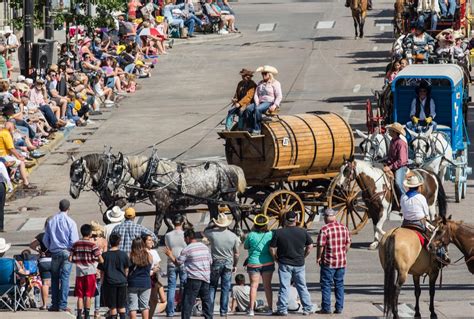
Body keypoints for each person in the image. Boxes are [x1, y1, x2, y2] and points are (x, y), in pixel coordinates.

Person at [270, 211, 314, 316]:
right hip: (299, 263)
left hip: (284, 263)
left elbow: (272, 248)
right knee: (302, 286)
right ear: (295, 219)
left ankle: (282, 309)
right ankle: (307, 308)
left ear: (285, 220)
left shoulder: (279, 232)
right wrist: (304, 256)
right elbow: (310, 246)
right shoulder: (303, 231)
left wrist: (275, 258)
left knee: (284, 286)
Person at [164, 229, 213, 319]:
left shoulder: (187, 249)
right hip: (206, 278)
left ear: (187, 238)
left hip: (193, 279)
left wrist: (170, 255)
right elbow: (210, 261)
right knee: (206, 302)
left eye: (184, 239)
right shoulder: (205, 247)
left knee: (188, 303)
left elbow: (178, 263)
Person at [43, 199, 79, 312]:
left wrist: (51, 247)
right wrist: (72, 251)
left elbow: (45, 239)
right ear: (69, 208)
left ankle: (54, 304)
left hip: (55, 252)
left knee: (54, 278)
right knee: (65, 278)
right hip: (67, 252)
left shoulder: (51, 221)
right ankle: (63, 304)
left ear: (59, 207)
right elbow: (74, 241)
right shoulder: (71, 222)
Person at [204, 213, 240, 317]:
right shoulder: (233, 236)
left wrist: (212, 224)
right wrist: (235, 265)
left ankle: (209, 310)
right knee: (225, 287)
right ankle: (223, 311)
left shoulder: (212, 233)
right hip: (228, 263)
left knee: (212, 287)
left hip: (216, 262)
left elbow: (204, 232)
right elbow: (236, 253)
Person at [316, 208, 351, 315]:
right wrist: (343, 252)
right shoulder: (344, 228)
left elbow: (321, 245)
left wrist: (318, 257)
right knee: (339, 284)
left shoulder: (325, 229)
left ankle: (326, 308)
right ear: (334, 217)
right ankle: (339, 308)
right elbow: (348, 243)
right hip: (341, 262)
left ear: (326, 217)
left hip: (328, 262)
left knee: (326, 285)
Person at [70, 224, 103, 319]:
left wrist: (77, 260)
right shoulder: (93, 245)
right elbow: (101, 259)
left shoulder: (75, 244)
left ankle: (79, 315)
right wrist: (94, 259)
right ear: (90, 233)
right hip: (90, 272)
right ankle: (87, 315)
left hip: (79, 272)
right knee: (88, 295)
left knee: (80, 295)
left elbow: (70, 258)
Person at [243, 214, 274, 316]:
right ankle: (270, 308)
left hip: (253, 263)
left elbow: (246, 246)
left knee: (253, 286)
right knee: (267, 286)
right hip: (268, 262)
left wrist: (252, 230)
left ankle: (251, 309)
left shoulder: (251, 235)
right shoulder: (270, 234)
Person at [98, 233, 130, 319]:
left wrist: (102, 281)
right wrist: (125, 278)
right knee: (122, 306)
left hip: (109, 282)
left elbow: (102, 271)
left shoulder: (105, 255)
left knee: (113, 307)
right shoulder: (123, 254)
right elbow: (127, 269)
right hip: (122, 282)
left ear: (109, 242)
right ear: (119, 242)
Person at [244, 65, 282, 135]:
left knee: (258, 109)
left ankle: (257, 129)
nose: (263, 75)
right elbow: (256, 94)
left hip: (269, 102)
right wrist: (257, 102)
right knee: (248, 109)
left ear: (269, 74)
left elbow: (279, 96)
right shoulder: (260, 83)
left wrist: (275, 105)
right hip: (260, 102)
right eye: (262, 73)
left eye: (265, 73)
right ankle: (250, 127)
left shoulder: (275, 83)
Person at [164, 214, 187, 317]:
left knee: (171, 287)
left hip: (171, 262)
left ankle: (170, 311)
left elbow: (168, 248)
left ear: (173, 223)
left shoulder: (168, 235)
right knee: (184, 286)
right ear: (182, 222)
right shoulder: (185, 234)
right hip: (183, 262)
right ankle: (184, 308)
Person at [29, 218, 52, 310]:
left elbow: (31, 245)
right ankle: (57, 303)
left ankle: (45, 304)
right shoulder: (57, 235)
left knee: (45, 283)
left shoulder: (42, 236)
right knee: (57, 282)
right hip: (55, 260)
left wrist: (39, 250)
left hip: (44, 261)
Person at [128, 238, 153, 319]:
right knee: (145, 306)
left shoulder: (130, 255)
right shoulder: (149, 255)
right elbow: (150, 267)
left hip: (132, 283)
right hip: (145, 282)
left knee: (132, 306)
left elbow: (127, 270)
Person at [384, 122, 409, 195]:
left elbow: (401, 161)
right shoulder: (392, 141)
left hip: (400, 167)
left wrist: (390, 167)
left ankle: (405, 198)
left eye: (390, 130)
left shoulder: (401, 143)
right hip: (392, 164)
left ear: (394, 132)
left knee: (398, 183)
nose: (388, 131)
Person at [142, 234, 164, 316]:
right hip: (145, 276)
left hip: (154, 277)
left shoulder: (154, 252)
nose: (152, 242)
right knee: (145, 300)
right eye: (149, 240)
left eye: (152, 240)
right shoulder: (142, 252)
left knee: (154, 299)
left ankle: (149, 316)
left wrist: (156, 268)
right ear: (144, 242)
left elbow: (158, 263)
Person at [90, 221, 107, 319]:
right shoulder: (103, 241)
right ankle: (97, 311)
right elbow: (104, 256)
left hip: (90, 266)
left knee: (88, 289)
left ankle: (86, 309)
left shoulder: (89, 241)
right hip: (99, 267)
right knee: (98, 290)